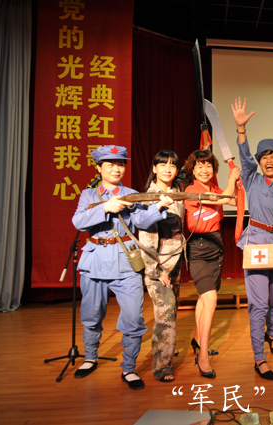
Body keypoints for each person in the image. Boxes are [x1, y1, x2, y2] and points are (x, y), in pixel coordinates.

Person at [71, 145, 173, 390]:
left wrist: (158, 208)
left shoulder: (131, 194)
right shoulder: (89, 195)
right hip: (94, 260)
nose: (116, 169)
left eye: (120, 164)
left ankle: (129, 369)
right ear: (99, 168)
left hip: (125, 262)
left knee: (133, 318)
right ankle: (90, 357)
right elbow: (78, 221)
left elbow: (142, 221)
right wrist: (105, 208)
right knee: (91, 315)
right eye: (110, 164)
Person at [232, 97, 273, 381]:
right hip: (258, 245)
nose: (268, 160)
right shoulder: (252, 180)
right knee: (258, 303)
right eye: (264, 157)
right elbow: (245, 159)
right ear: (259, 162)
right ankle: (259, 357)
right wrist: (242, 130)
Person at [183, 149, 240, 378]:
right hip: (198, 248)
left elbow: (234, 201)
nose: (204, 170)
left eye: (208, 165)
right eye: (199, 166)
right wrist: (231, 180)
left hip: (216, 245)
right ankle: (203, 356)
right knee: (211, 299)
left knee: (204, 297)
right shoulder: (191, 190)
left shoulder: (215, 189)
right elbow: (224, 199)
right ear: (192, 170)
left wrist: (237, 186)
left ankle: (198, 340)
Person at [138, 150, 186, 382]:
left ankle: (166, 350)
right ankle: (161, 366)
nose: (168, 169)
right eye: (163, 164)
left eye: (172, 165)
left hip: (175, 263)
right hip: (159, 268)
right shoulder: (149, 198)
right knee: (165, 316)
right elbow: (146, 239)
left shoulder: (176, 192)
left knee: (170, 312)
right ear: (154, 168)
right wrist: (155, 272)